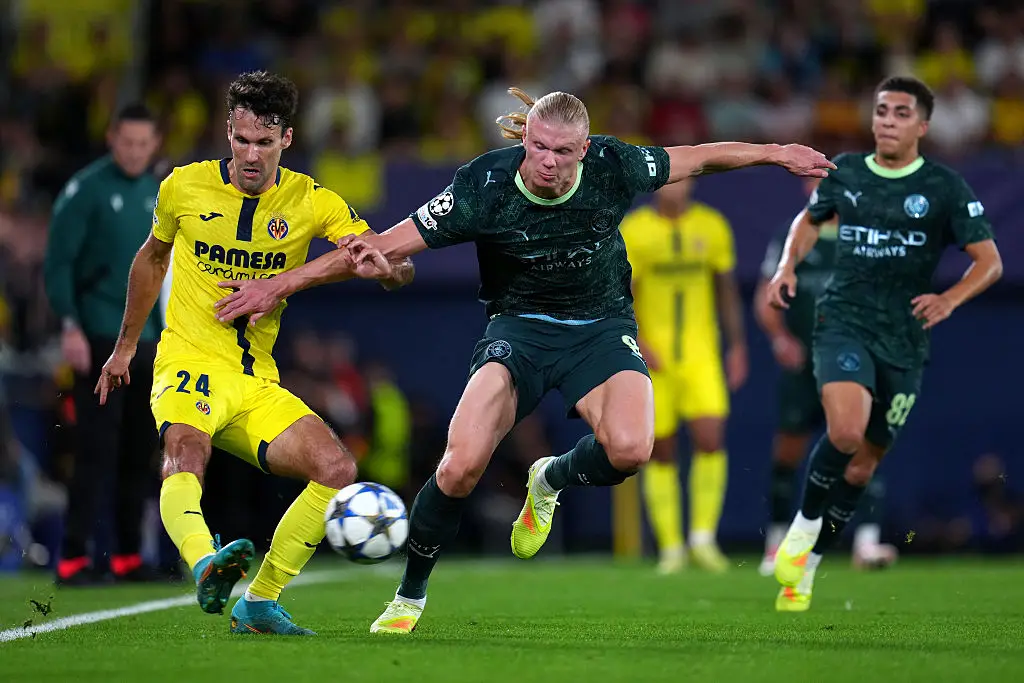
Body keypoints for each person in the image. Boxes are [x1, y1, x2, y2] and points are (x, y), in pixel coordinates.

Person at [214, 87, 835, 634]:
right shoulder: (483, 185)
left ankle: (550, 479)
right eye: (537, 147)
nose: (547, 161)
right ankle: (409, 595)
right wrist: (285, 284)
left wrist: (775, 152)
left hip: (601, 328)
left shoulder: (615, 165)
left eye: (562, 151)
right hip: (518, 330)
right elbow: (381, 245)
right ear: (525, 140)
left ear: (585, 150)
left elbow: (700, 157)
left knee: (631, 449)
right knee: (459, 467)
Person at [94, 71, 413, 635]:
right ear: (228, 133)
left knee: (337, 469)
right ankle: (205, 566)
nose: (250, 154)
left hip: (255, 380)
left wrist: (388, 270)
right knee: (186, 452)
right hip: (188, 360)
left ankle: (259, 602)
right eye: (241, 140)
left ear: (286, 139)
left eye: (264, 142)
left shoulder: (311, 200)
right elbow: (152, 258)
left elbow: (386, 259)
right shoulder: (183, 186)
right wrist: (124, 349)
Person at [765, 76, 1002, 612]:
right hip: (844, 322)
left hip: (904, 340)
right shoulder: (847, 171)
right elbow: (810, 219)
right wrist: (786, 266)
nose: (888, 121)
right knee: (845, 432)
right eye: (881, 111)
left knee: (861, 468)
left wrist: (950, 299)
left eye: (900, 113)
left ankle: (808, 567)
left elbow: (990, 262)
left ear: (922, 126)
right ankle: (803, 526)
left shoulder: (943, 187)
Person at [43, 104, 164, 585]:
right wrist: (69, 325)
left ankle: (128, 556)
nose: (134, 152)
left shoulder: (159, 194)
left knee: (139, 448)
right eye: (127, 142)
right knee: (96, 448)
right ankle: (75, 556)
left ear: (154, 145)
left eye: (143, 144)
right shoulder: (85, 190)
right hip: (97, 335)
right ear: (112, 138)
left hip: (147, 339)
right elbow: (58, 264)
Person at [754, 177, 896, 577]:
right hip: (804, 366)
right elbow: (765, 296)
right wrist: (780, 338)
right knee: (788, 452)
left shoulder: (865, 239)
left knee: (862, 448)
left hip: (850, 364)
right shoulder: (792, 235)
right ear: (808, 188)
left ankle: (866, 543)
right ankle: (775, 544)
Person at [619, 179, 747, 574]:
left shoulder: (712, 225)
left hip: (701, 354)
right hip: (654, 357)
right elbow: (621, 291)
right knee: (660, 448)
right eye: (670, 179)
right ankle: (671, 546)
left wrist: (737, 345)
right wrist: (638, 338)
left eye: (684, 178)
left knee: (710, 438)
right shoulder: (635, 230)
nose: (677, 187)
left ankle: (703, 539)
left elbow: (726, 290)